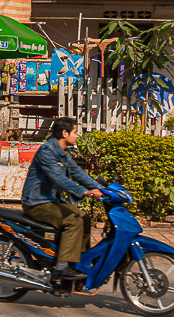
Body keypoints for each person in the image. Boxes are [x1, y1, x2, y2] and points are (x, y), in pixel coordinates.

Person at [21, 116, 103, 281]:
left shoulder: (63, 152)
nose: (77, 136)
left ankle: (79, 262)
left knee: (84, 218)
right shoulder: (47, 151)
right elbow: (59, 179)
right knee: (73, 221)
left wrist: (101, 189)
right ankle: (62, 268)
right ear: (65, 133)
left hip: (50, 201)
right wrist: (84, 192)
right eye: (75, 132)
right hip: (36, 203)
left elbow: (77, 172)